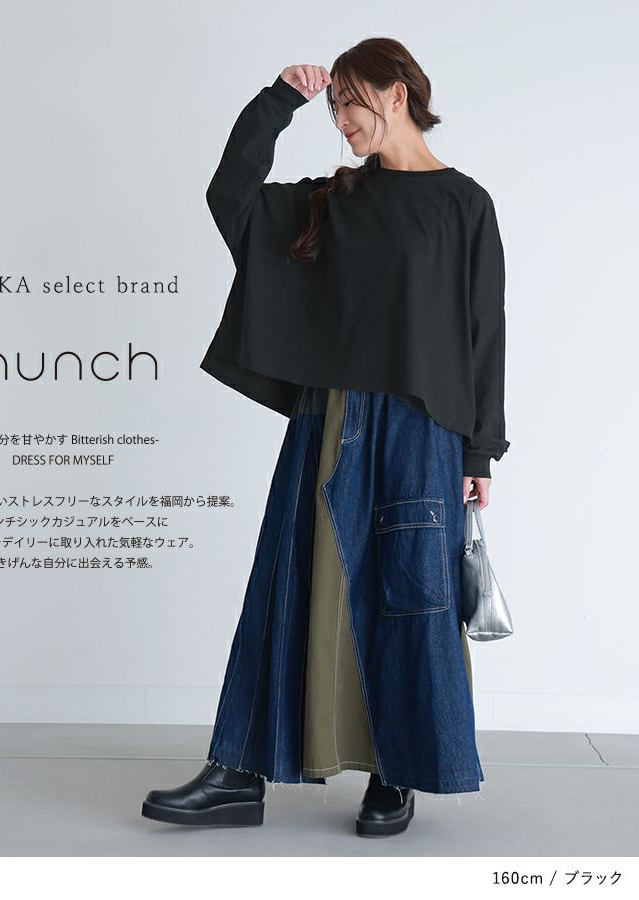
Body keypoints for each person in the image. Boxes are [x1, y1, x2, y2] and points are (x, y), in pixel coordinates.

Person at [141, 36, 510, 838]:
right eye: (334, 106)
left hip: (421, 426)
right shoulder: (335, 198)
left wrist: (480, 450)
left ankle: (396, 771)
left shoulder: (464, 204)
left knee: (410, 594)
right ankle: (238, 772)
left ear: (395, 95)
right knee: (288, 581)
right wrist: (279, 99)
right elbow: (230, 197)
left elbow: (484, 329)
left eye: (350, 103)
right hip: (330, 413)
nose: (341, 121)